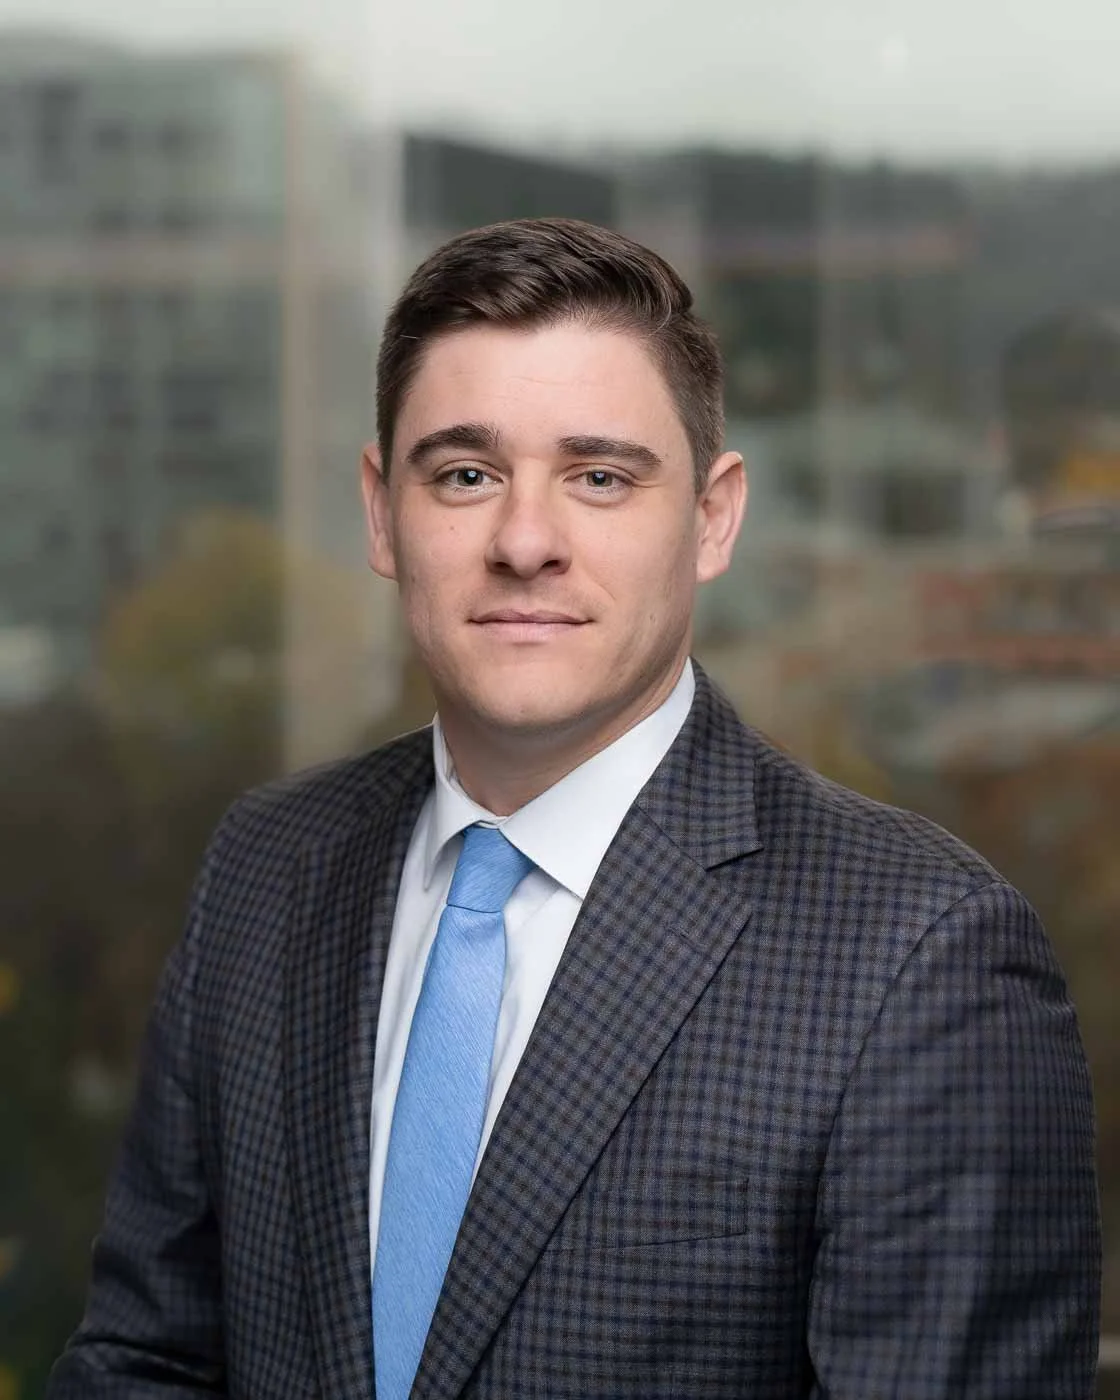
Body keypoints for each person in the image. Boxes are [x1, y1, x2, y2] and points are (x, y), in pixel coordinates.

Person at [49, 218, 1100, 1398]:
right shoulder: (267, 865)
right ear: (382, 511)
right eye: (465, 474)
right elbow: (147, 1358)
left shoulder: (921, 955)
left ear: (712, 517)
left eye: (600, 477)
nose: (525, 541)